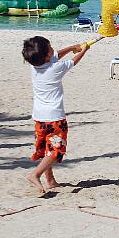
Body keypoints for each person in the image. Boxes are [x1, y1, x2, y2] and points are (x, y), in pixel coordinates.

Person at [22, 36, 90, 194]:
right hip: (55, 118)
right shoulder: (55, 68)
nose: (53, 49)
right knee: (56, 150)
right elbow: (72, 62)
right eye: (50, 47)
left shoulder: (34, 67)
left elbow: (54, 56)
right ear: (46, 56)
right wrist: (84, 50)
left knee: (47, 149)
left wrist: (72, 46)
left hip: (39, 118)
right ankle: (35, 174)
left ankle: (50, 181)